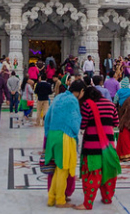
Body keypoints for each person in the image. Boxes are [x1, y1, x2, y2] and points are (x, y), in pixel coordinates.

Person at [75, 85, 121, 210]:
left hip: (92, 145)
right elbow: (116, 122)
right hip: (109, 145)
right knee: (108, 172)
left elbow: (83, 124)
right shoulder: (110, 105)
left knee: (92, 174)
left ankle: (88, 203)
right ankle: (107, 198)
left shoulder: (87, 105)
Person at [45, 80, 84, 208]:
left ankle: (52, 197)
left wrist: (47, 134)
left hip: (53, 134)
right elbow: (75, 121)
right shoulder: (73, 100)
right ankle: (60, 200)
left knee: (58, 168)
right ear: (80, 91)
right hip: (65, 136)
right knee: (64, 169)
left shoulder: (59, 97)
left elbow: (48, 116)